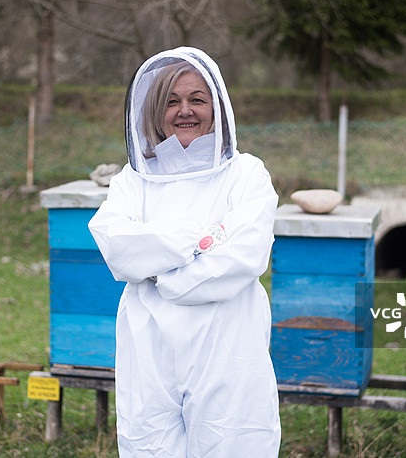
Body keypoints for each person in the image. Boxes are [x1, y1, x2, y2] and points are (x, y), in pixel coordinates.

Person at [88, 47, 281, 457]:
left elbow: (244, 256)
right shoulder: (132, 179)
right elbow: (116, 245)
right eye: (171, 101)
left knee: (232, 444)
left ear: (218, 107)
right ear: (156, 111)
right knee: (148, 446)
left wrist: (160, 271)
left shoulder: (247, 174)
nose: (185, 111)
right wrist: (200, 238)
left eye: (197, 99)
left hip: (227, 346)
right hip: (149, 348)